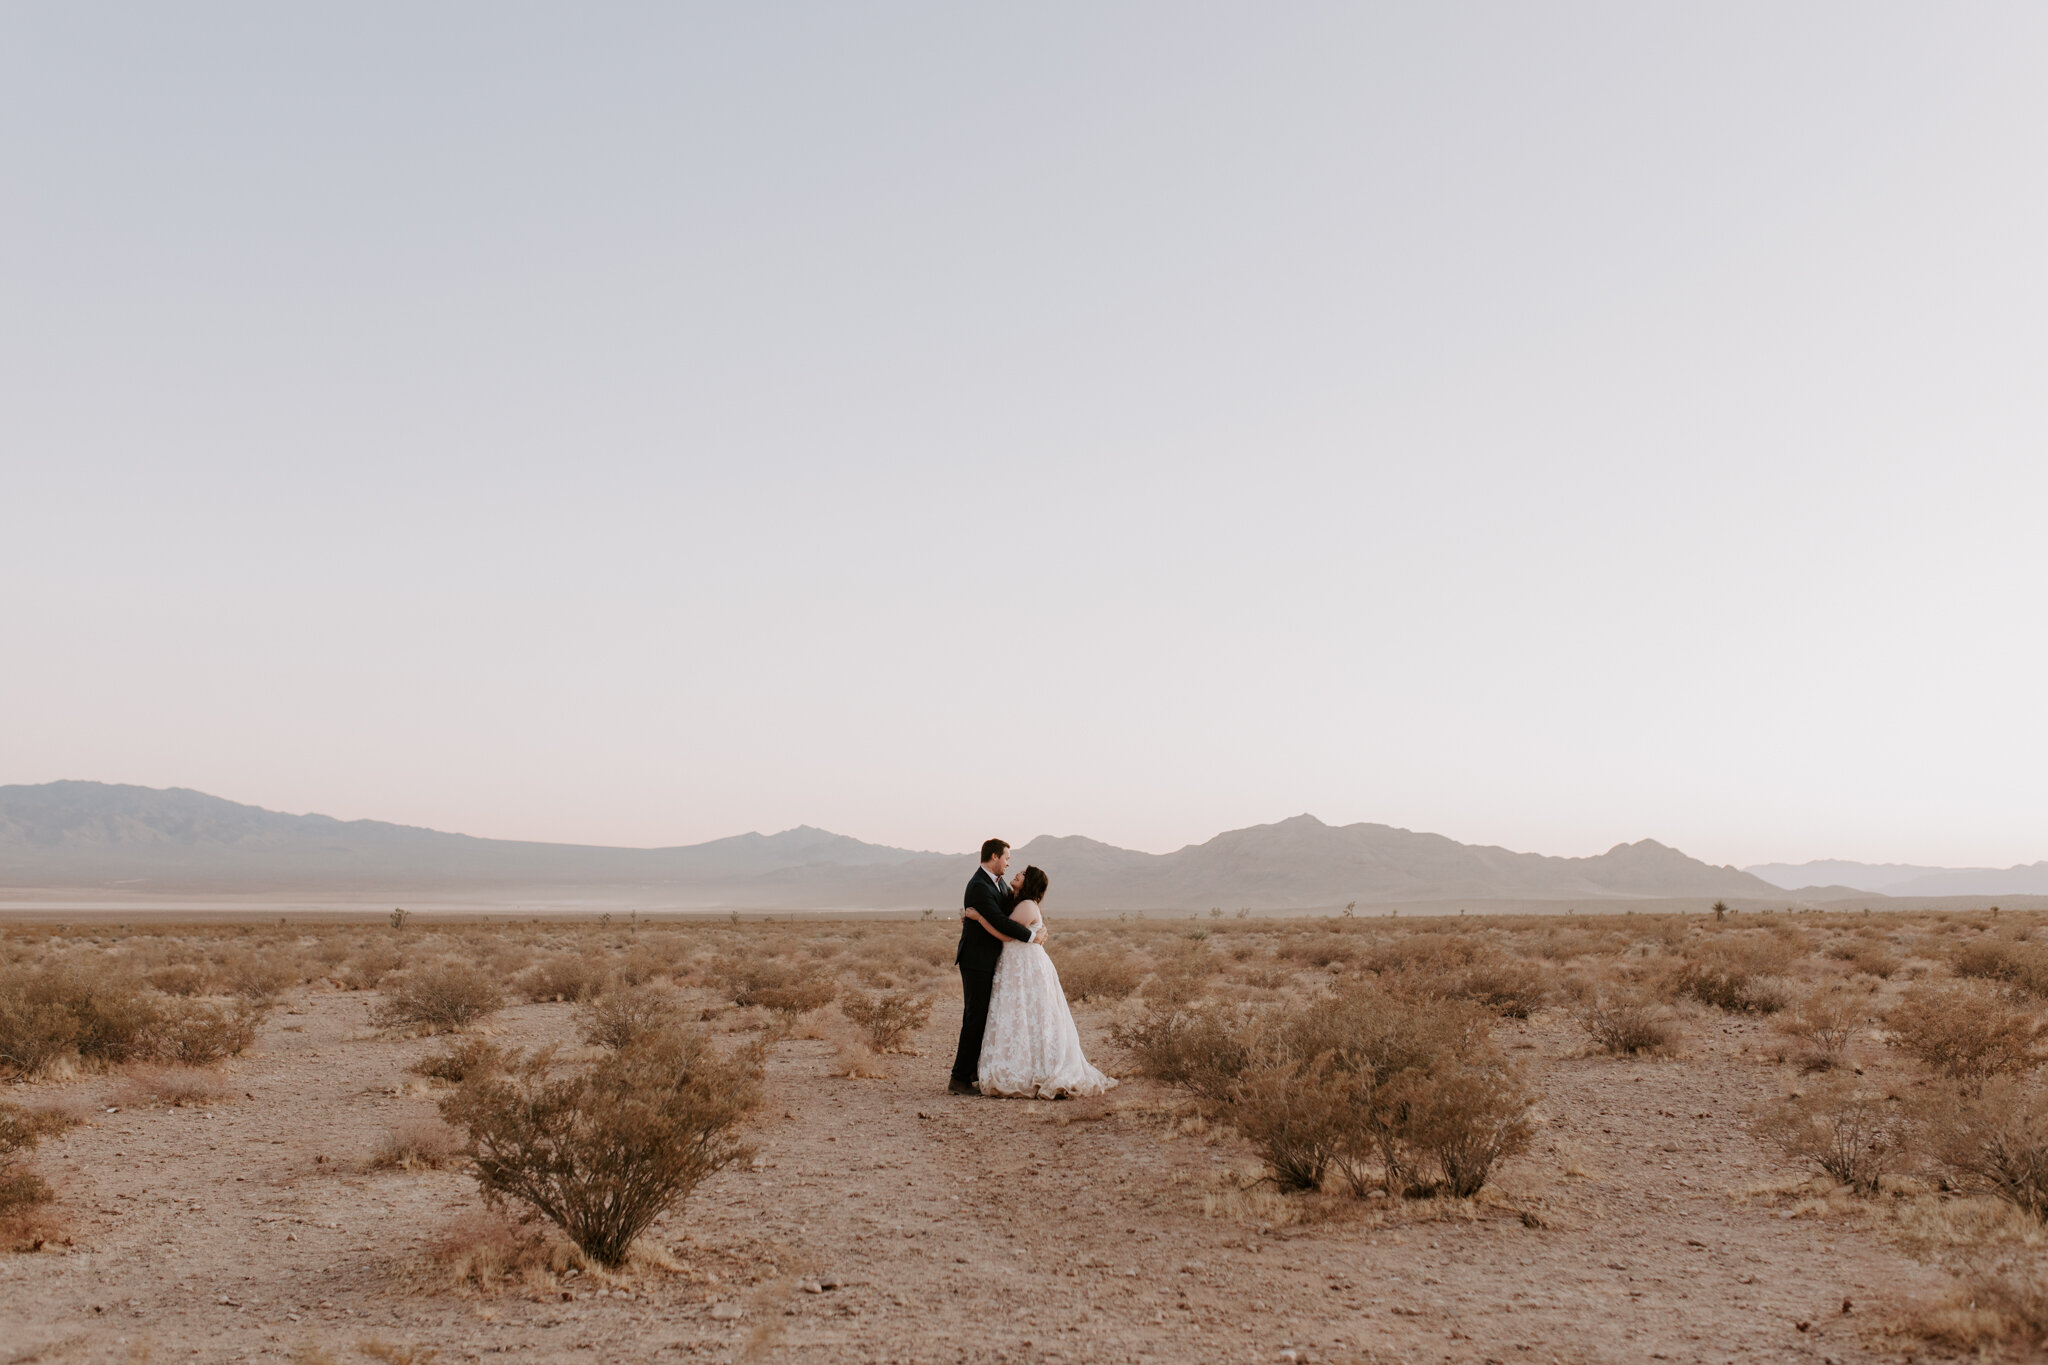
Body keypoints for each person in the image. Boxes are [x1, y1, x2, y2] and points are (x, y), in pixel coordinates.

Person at [963, 864, 1116, 1099]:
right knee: (1019, 1015)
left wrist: (979, 918)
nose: (1016, 873)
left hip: (1025, 966)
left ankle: (1033, 1069)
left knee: (1030, 1014)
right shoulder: (1015, 901)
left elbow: (1006, 933)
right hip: (1015, 965)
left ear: (1029, 882)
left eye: (1023, 874)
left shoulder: (1026, 906)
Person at [948, 838, 1042, 1095]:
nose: (1009, 864)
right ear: (993, 857)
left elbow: (1009, 915)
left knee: (983, 1017)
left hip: (991, 959)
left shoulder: (998, 885)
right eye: (1006, 858)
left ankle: (971, 1072)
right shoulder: (979, 885)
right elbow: (1000, 921)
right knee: (975, 1016)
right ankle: (959, 1078)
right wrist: (1033, 937)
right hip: (976, 961)